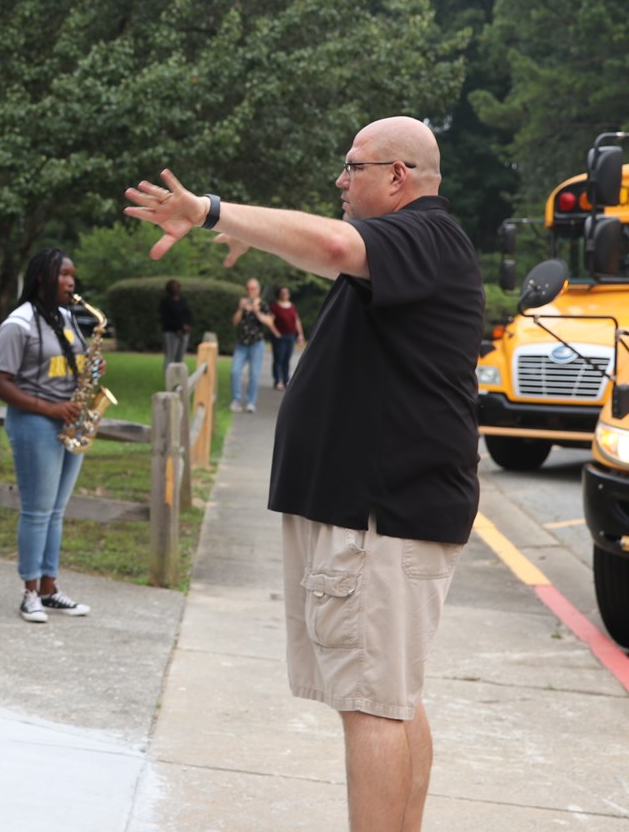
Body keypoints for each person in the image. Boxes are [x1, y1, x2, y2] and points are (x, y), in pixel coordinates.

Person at [124, 116, 482, 832]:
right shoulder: (410, 251)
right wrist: (251, 232)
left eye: (352, 166)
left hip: (381, 516)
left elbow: (331, 241)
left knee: (375, 703)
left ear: (399, 176)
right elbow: (332, 252)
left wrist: (212, 210)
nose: (341, 181)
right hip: (383, 514)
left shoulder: (423, 235)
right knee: (393, 695)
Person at [0, 248, 94, 624]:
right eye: (63, 275)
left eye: (73, 275)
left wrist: (92, 366)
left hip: (69, 422)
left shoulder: (67, 317)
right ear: (41, 278)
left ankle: (50, 588)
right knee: (36, 512)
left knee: (56, 512)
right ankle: (30, 592)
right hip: (36, 423)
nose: (71, 282)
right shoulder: (18, 323)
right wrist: (49, 408)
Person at [230, 278, 273, 412]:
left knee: (254, 375)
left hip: (256, 344)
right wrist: (241, 309)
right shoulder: (242, 303)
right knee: (235, 372)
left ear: (258, 290)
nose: (250, 291)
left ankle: (250, 402)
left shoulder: (263, 304)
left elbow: (270, 322)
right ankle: (236, 400)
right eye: (248, 288)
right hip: (241, 344)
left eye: (253, 288)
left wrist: (257, 311)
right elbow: (235, 322)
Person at [270, 285, 305, 389]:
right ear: (279, 294)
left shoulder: (292, 306)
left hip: (291, 335)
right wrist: (275, 332)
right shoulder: (275, 306)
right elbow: (270, 321)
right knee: (278, 358)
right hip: (280, 336)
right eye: (283, 293)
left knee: (287, 358)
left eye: (287, 292)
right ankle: (278, 380)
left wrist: (300, 334)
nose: (285, 294)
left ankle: (286, 380)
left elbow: (297, 320)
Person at [159, 278, 193, 367]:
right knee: (170, 356)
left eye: (177, 287)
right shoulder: (165, 302)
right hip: (171, 332)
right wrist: (180, 326)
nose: (175, 289)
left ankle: (178, 378)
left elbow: (188, 314)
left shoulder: (182, 300)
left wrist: (188, 325)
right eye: (173, 287)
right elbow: (166, 318)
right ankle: (168, 377)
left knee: (180, 357)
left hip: (184, 333)